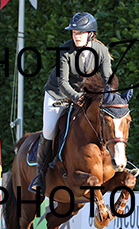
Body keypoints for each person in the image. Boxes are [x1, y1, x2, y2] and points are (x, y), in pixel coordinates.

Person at [30, 12, 113, 196]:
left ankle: (118, 162)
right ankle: (40, 175)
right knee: (49, 129)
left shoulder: (101, 51)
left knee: (107, 121)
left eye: (80, 33)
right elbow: (63, 82)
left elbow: (108, 79)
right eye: (74, 32)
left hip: (84, 94)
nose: (76, 36)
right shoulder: (65, 50)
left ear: (91, 34)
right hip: (58, 94)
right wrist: (76, 97)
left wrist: (111, 97)